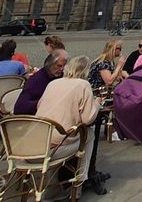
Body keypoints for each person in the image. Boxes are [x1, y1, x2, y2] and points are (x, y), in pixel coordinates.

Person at [36, 56, 101, 189]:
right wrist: (97, 104)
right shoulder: (83, 85)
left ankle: (53, 185)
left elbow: (39, 106)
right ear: (86, 71)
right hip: (57, 146)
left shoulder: (53, 83)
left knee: (76, 133)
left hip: (37, 141)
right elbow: (88, 119)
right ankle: (80, 180)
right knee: (89, 133)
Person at [15, 50, 68, 114]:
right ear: (50, 64)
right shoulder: (36, 80)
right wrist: (45, 102)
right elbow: (19, 108)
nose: (62, 69)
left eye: (64, 66)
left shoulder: (60, 76)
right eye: (59, 66)